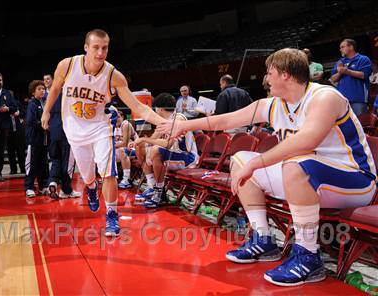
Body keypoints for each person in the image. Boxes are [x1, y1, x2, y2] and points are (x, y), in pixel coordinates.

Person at [158, 48, 376, 286]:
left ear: (285, 74)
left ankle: (308, 255)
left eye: (269, 72)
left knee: (292, 164)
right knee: (240, 159)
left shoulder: (325, 97)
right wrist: (184, 126)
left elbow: (307, 140)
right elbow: (226, 120)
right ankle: (263, 239)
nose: (265, 79)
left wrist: (258, 162)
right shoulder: (272, 104)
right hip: (306, 176)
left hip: (355, 181)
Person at [41, 29, 166, 237]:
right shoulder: (67, 65)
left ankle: (111, 215)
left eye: (105, 48)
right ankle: (91, 188)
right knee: (88, 177)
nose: (100, 52)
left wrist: (166, 123)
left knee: (108, 173)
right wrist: (46, 111)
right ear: (86, 48)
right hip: (74, 129)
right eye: (96, 47)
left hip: (101, 127)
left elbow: (139, 107)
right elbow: (54, 88)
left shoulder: (113, 75)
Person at [137, 93, 198, 208]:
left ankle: (160, 194)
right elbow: (152, 140)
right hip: (171, 156)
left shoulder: (178, 118)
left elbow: (167, 144)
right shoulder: (163, 122)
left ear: (159, 109)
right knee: (139, 147)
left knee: (155, 150)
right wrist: (138, 142)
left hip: (187, 157)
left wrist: (145, 139)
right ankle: (152, 186)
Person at [44, 74, 81, 199]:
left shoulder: (50, 97)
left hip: (53, 133)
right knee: (68, 163)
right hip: (67, 132)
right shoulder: (69, 97)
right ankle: (66, 190)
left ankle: (52, 182)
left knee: (56, 160)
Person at [0, 73, 18, 181]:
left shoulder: (7, 93)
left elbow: (15, 107)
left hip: (2, 127)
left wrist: (8, 109)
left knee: (0, 151)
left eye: (0, 80)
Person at [330, 39, 373, 116]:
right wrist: (340, 73)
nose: (340, 49)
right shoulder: (340, 62)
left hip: (358, 99)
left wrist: (347, 71)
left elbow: (364, 75)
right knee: (345, 126)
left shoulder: (363, 59)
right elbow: (333, 79)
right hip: (342, 100)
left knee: (360, 124)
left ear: (351, 47)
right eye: (340, 47)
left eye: (342, 47)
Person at [25, 80, 49, 198]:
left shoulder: (46, 102)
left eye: (43, 89)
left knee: (43, 164)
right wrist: (44, 125)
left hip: (45, 139)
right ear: (33, 92)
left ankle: (43, 186)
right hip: (34, 139)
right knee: (32, 163)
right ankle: (29, 187)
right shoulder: (32, 104)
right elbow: (31, 121)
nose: (42, 91)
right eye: (39, 89)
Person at [115, 111, 138, 189]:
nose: (116, 119)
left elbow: (125, 143)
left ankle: (126, 179)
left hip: (135, 148)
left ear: (122, 117)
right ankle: (112, 177)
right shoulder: (112, 126)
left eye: (118, 117)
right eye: (115, 117)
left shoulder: (125, 124)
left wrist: (112, 146)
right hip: (119, 149)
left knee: (121, 150)